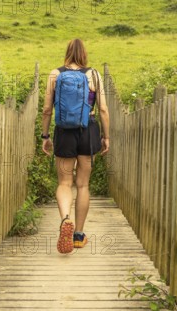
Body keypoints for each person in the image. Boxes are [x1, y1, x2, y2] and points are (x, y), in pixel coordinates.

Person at [41, 38, 110, 254]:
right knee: (82, 185)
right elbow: (104, 110)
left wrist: (45, 136)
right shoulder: (94, 75)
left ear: (67, 52)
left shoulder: (55, 74)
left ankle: (65, 220)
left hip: (64, 131)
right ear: (84, 54)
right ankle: (78, 235)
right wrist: (106, 137)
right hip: (88, 129)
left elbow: (46, 109)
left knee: (64, 182)